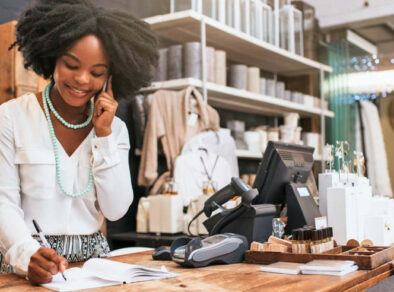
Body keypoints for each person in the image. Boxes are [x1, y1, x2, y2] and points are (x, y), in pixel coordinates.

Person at [0, 0, 157, 285]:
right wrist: (27, 255)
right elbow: (3, 202)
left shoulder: (115, 129)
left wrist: (104, 136)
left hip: (95, 266)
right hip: (29, 261)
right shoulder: (11, 117)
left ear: (112, 76)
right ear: (52, 58)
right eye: (71, 65)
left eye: (97, 73)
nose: (82, 79)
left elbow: (116, 210)